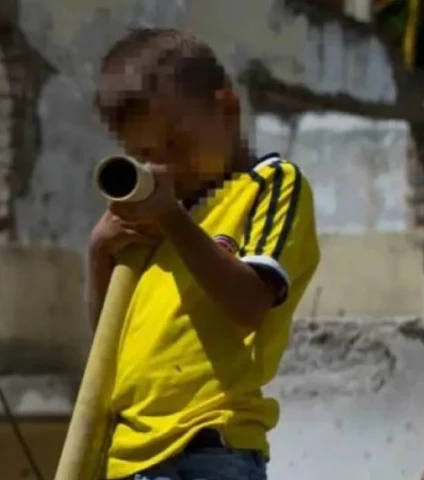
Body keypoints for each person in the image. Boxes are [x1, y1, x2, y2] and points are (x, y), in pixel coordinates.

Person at [88, 27, 320, 480]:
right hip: (130, 456)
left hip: (211, 447)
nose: (164, 168)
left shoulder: (270, 186)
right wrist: (100, 254)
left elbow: (248, 304)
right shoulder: (151, 223)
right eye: (145, 155)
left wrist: (173, 219)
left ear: (227, 110)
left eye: (176, 144)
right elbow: (107, 349)